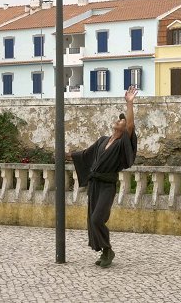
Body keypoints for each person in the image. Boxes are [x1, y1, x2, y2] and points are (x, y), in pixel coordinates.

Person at [65, 85, 139, 268]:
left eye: (122, 121)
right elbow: (85, 155)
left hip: (107, 185)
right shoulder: (103, 140)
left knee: (97, 218)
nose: (120, 121)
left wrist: (129, 104)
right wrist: (65, 155)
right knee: (91, 220)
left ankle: (108, 249)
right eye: (119, 120)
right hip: (95, 184)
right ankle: (104, 251)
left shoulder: (123, 143)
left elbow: (130, 125)